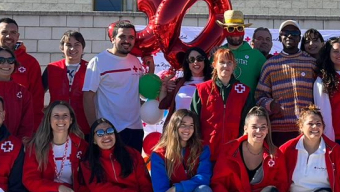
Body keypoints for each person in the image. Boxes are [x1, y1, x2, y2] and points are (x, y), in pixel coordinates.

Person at [83, 19, 147, 151]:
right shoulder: (98, 61)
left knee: (132, 170)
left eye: (131, 37)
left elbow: (139, 93)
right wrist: (95, 128)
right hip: (110, 131)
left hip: (135, 129)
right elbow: (88, 97)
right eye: (122, 36)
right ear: (112, 38)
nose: (127, 40)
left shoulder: (135, 61)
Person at [255, 20, 317, 147]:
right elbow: (259, 96)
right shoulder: (270, 64)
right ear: (280, 38)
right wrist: (270, 104)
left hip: (307, 129)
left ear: (299, 38)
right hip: (279, 131)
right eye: (285, 33)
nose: (289, 36)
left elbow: (321, 96)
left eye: (294, 33)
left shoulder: (311, 63)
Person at [191, 47, 256, 161]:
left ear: (234, 66)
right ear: (214, 64)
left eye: (229, 63)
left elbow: (249, 123)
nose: (226, 66)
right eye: (222, 62)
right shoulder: (202, 90)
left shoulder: (244, 91)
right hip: (206, 151)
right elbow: (194, 120)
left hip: (234, 152)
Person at [42, 30, 90, 135]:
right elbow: (38, 94)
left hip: (83, 125)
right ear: (62, 48)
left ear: (83, 48)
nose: (72, 48)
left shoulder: (91, 69)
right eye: (68, 45)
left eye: (77, 45)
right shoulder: (52, 68)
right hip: (56, 124)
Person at [219, 10, 266, 90]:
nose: (235, 33)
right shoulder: (218, 54)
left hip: (248, 102)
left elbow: (267, 83)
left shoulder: (257, 56)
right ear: (224, 30)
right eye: (231, 28)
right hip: (223, 102)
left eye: (239, 28)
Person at [159, 47, 212, 113]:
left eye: (199, 59)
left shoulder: (213, 82)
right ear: (188, 63)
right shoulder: (179, 83)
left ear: (205, 61)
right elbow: (163, 105)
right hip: (179, 122)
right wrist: (164, 86)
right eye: (191, 59)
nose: (195, 62)